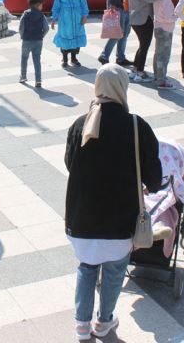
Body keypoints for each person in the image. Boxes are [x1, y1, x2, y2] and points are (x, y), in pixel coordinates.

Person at [64, 64, 163, 341]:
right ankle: (103, 322)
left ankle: (82, 326)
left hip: (81, 217)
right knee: (114, 270)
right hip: (120, 220)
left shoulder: (80, 124)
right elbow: (154, 175)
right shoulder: (136, 126)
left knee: (86, 268)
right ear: (123, 88)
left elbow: (69, 163)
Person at [126, 0, 162, 83]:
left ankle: (135, 69)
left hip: (134, 19)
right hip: (144, 19)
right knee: (144, 46)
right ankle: (140, 73)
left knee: (142, 45)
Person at [151, 0, 184, 89]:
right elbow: (168, 17)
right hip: (165, 29)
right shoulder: (166, 0)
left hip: (158, 27)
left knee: (158, 53)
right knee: (164, 55)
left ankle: (157, 76)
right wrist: (176, 16)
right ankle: (161, 80)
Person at [51, 0, 89, 68]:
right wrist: (54, 18)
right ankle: (64, 58)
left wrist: (85, 16)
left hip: (77, 19)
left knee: (76, 37)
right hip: (65, 20)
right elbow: (56, 6)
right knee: (65, 38)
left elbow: (84, 3)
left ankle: (74, 58)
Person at [19, 0, 50, 87]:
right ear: (37, 5)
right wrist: (41, 35)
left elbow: (21, 26)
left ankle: (23, 76)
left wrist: (22, 35)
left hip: (27, 39)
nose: (42, 6)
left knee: (24, 58)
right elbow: (46, 28)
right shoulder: (41, 15)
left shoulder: (25, 14)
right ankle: (38, 80)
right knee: (37, 60)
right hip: (38, 40)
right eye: (41, 5)